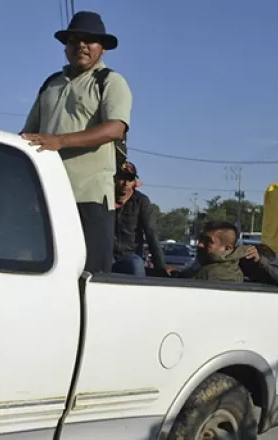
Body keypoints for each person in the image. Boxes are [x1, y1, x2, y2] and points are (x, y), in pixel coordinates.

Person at [20, 10, 132, 273]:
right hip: (47, 193)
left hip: (90, 195)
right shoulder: (51, 84)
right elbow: (28, 134)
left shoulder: (110, 81)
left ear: (102, 48)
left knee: (91, 272)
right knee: (44, 268)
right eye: (74, 40)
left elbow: (116, 128)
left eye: (89, 40)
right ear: (66, 47)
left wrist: (59, 140)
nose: (81, 46)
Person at [112, 161, 169, 277]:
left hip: (129, 256)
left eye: (130, 179)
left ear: (134, 182)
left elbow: (151, 233)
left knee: (136, 264)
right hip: (108, 255)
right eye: (122, 178)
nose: (125, 183)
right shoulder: (105, 197)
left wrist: (161, 267)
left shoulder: (141, 201)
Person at [177, 221, 247, 283]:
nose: (200, 244)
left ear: (227, 248)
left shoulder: (222, 275)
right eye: (201, 239)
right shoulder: (207, 265)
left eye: (208, 241)